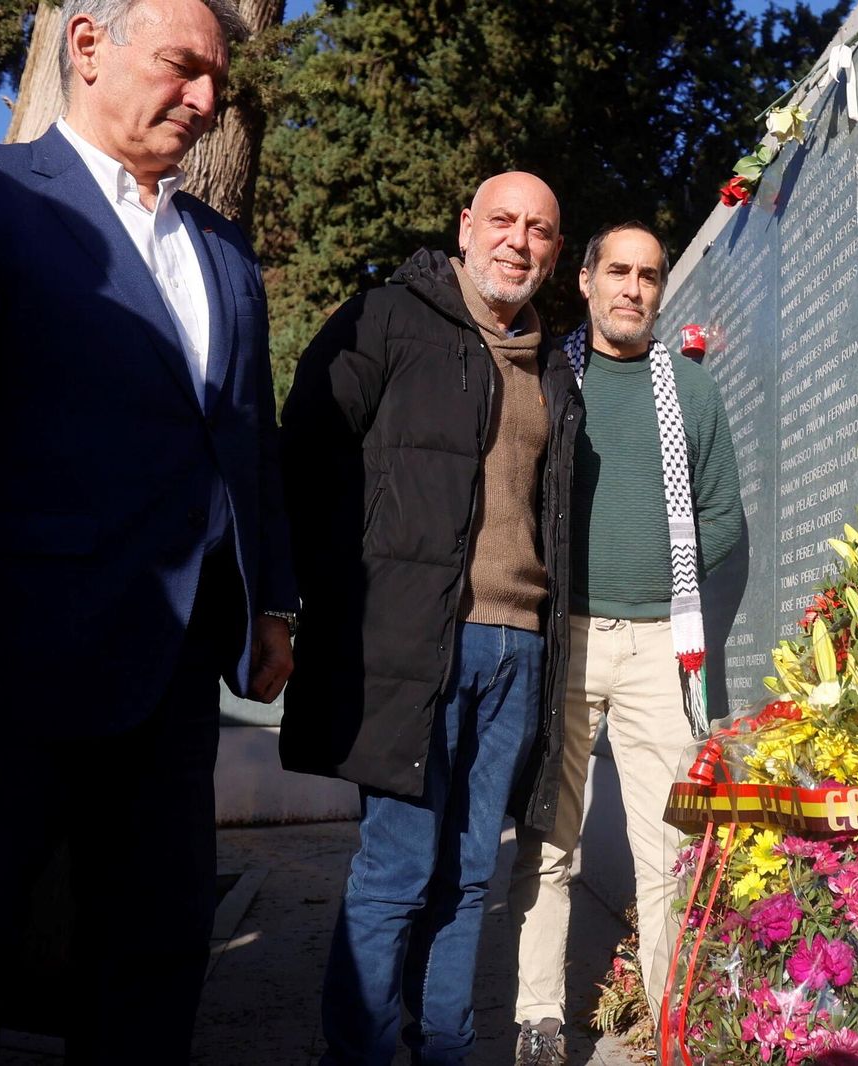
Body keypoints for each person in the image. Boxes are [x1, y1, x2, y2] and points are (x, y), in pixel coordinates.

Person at [0, 0, 296, 1059]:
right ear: (87, 46)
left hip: (175, 682)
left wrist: (271, 599)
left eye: (217, 81)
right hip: (12, 679)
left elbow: (247, 440)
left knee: (155, 953)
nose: (207, 101)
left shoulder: (225, 252)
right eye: (184, 68)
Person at [277, 172, 584, 1065]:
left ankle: (445, 1046)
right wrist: (324, 601)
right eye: (501, 221)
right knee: (399, 870)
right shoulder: (386, 319)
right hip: (413, 642)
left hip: (518, 651)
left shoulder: (554, 370)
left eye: (539, 229)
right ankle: (365, 1051)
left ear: (556, 253)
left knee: (471, 872)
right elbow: (308, 456)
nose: (517, 241)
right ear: (465, 227)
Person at [508, 222, 742, 1066]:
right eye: (619, 271)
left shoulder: (691, 391)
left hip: (658, 648)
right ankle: (538, 1016)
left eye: (649, 276)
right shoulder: (544, 374)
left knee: (672, 845)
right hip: (561, 637)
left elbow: (721, 513)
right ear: (586, 279)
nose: (633, 289)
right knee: (549, 835)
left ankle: (666, 1019)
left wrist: (665, 574)